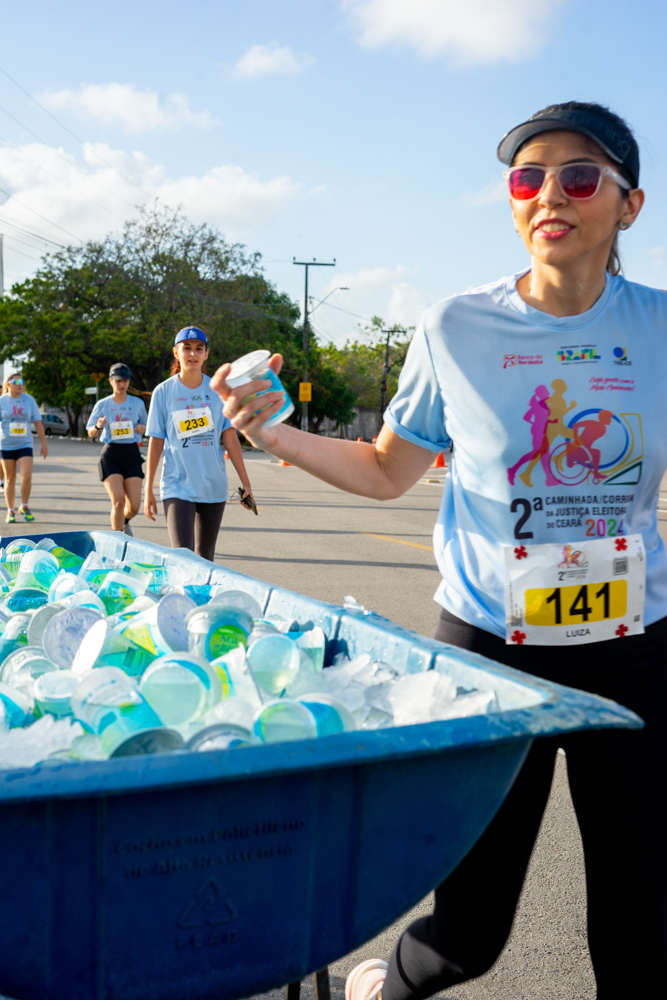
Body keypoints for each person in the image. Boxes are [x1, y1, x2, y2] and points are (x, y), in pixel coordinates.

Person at [212, 103, 667, 997]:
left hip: (636, 654)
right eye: (525, 178)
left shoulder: (661, 327)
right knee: (471, 933)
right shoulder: (456, 327)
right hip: (494, 653)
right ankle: (390, 983)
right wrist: (277, 435)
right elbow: (389, 471)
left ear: (629, 205)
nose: (548, 194)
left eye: (578, 177)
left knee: (640, 926)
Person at [144, 326, 255, 562]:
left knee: (205, 559)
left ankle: (201, 600)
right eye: (186, 348)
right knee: (183, 557)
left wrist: (246, 483)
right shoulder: (163, 392)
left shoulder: (218, 392)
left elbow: (230, 438)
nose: (192, 354)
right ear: (176, 352)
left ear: (206, 354)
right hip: (177, 486)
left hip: (212, 486)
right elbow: (156, 442)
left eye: (198, 349)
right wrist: (148, 489)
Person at [86, 363, 147, 536]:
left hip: (132, 453)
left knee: (134, 506)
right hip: (111, 454)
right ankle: (118, 539)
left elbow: (147, 425)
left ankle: (125, 521)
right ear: (111, 381)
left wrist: (142, 427)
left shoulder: (138, 403)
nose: (122, 384)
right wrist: (98, 426)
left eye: (125, 381)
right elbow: (90, 432)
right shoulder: (103, 404)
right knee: (119, 501)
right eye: (118, 381)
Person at [0, 373, 48, 524]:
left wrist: (44, 444)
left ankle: (24, 506)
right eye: (17, 381)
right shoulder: (2, 401)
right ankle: (10, 510)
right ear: (8, 384)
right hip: (6, 444)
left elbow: (38, 422)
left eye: (22, 381)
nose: (21, 384)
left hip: (25, 443)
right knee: (10, 478)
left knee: (26, 476)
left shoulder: (29, 400)